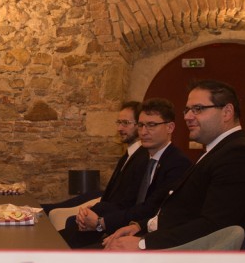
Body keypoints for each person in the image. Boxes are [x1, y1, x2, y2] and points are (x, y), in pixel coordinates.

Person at [103, 80, 245, 251]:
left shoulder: (239, 155)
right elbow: (186, 212)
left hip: (195, 259)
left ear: (227, 112)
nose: (187, 117)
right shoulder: (219, 150)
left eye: (198, 109)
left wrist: (142, 243)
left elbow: (214, 226)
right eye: (187, 110)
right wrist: (141, 226)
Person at [61, 98, 191, 247]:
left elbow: (151, 209)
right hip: (123, 226)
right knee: (59, 242)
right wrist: (93, 214)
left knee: (72, 252)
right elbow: (126, 202)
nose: (144, 132)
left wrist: (101, 223)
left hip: (148, 238)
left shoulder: (177, 163)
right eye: (141, 125)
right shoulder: (145, 159)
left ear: (170, 127)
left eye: (151, 125)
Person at [43, 101, 144, 232]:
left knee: (65, 226)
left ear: (140, 125)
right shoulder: (129, 154)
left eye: (125, 123)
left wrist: (97, 217)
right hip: (105, 211)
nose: (119, 128)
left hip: (110, 222)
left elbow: (126, 203)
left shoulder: (142, 158)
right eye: (119, 122)